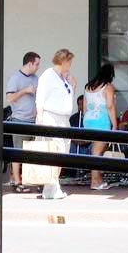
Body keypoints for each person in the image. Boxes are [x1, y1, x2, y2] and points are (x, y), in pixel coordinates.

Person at [34, 49, 76, 200]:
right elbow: (40, 97)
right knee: (56, 151)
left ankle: (50, 188)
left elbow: (67, 97)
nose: (70, 65)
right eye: (69, 62)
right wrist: (40, 117)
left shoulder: (64, 77)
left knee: (64, 152)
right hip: (50, 116)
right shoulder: (48, 75)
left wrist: (73, 85)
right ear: (63, 61)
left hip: (64, 118)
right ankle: (53, 188)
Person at [5, 52, 41, 193]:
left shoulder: (36, 78)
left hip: (34, 120)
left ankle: (33, 180)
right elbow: (9, 98)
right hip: (19, 120)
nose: (38, 67)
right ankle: (16, 182)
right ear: (30, 63)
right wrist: (25, 91)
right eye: (36, 64)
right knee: (18, 152)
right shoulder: (15, 78)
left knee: (33, 153)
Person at [83, 63, 118, 191]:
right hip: (101, 120)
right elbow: (110, 106)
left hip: (88, 120)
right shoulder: (108, 86)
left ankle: (98, 180)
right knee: (97, 153)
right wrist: (115, 124)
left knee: (96, 151)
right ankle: (94, 182)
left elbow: (85, 107)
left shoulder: (88, 87)